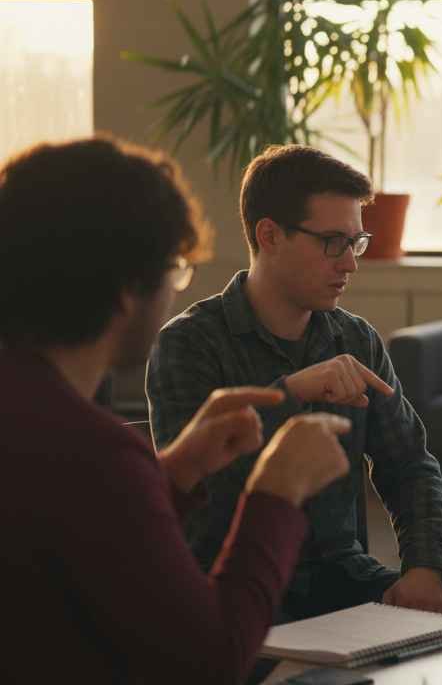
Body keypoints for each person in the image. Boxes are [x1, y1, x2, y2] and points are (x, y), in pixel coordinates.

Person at [0, 137, 353, 683]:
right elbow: (211, 660)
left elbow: (80, 535)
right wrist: (277, 492)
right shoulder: (96, 453)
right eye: (175, 267)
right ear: (126, 290)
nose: (175, 288)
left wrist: (175, 472)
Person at [146, 144, 442, 631]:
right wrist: (291, 393)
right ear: (269, 235)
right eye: (332, 243)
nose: (349, 264)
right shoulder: (189, 343)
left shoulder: (356, 339)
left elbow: (409, 464)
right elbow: (195, 494)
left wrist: (425, 568)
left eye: (355, 242)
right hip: (231, 584)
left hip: (342, 578)